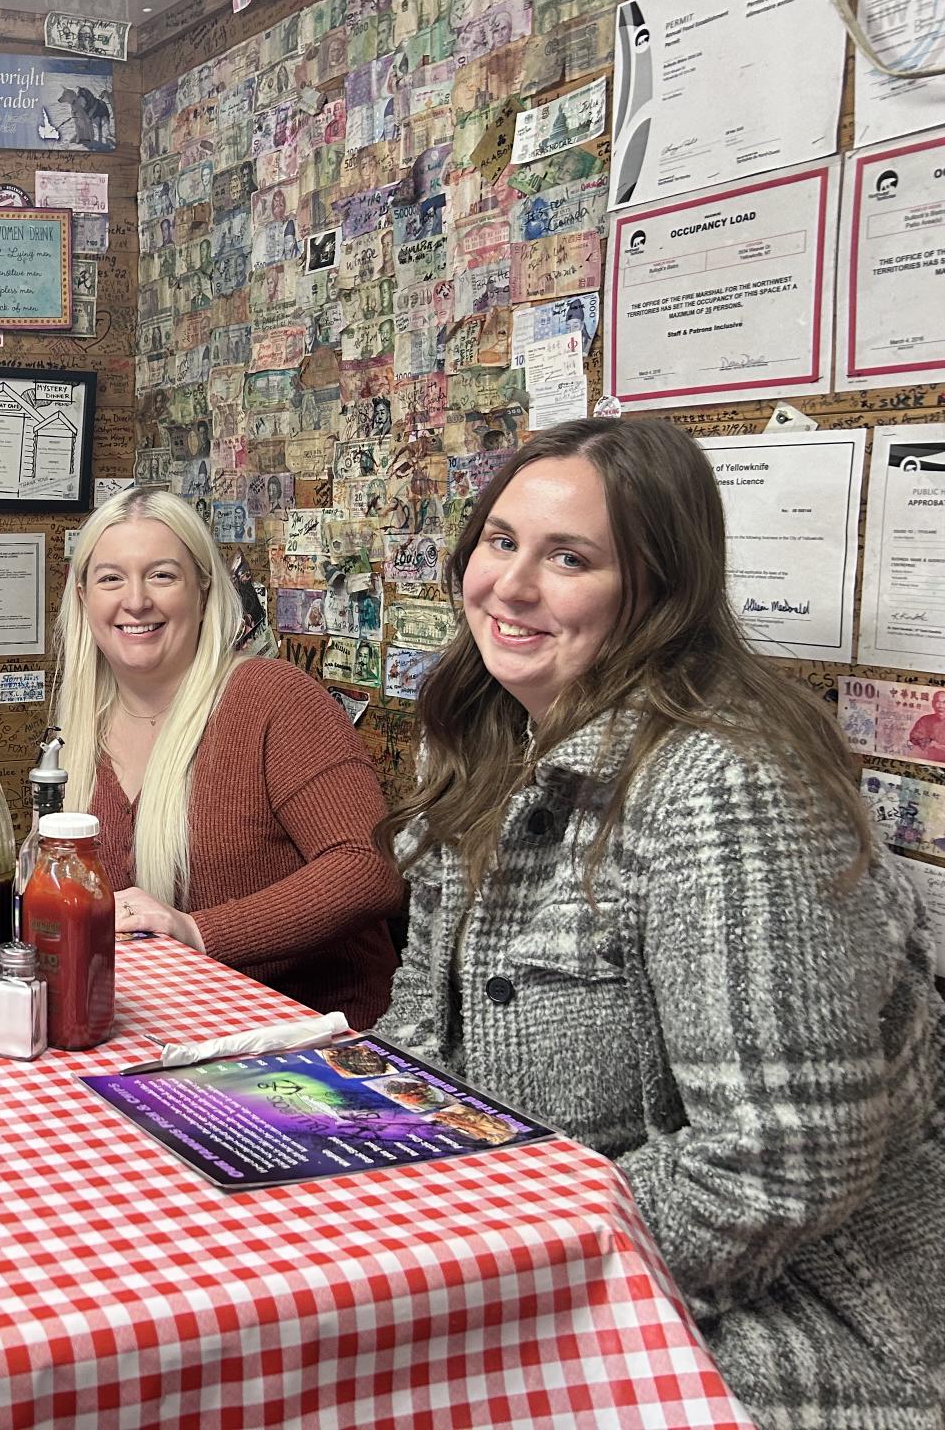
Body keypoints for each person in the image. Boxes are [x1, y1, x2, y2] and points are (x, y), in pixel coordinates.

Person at [371, 418, 944, 1423]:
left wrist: (506, 1255)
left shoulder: (726, 785)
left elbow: (782, 1161)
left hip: (781, 1323)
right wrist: (318, 1137)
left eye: (570, 559)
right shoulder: (484, 737)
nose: (509, 586)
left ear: (659, 591)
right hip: (543, 1244)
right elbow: (423, 1027)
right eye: (500, 542)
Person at [52, 486, 403, 1025]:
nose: (136, 600)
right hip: (168, 1026)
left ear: (203, 589)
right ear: (83, 596)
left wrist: (198, 932)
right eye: (111, 578)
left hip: (305, 1036)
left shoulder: (273, 698)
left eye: (162, 575)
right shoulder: (76, 731)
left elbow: (369, 867)